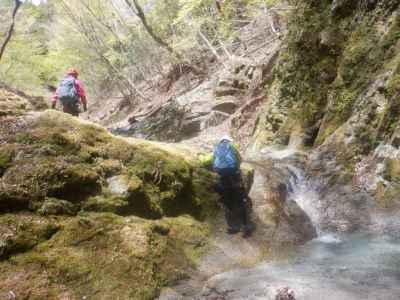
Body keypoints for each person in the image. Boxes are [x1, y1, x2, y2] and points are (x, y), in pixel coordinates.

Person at [211, 136, 253, 237]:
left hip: (222, 177)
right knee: (241, 199)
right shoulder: (232, 146)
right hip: (234, 176)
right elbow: (239, 159)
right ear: (228, 141)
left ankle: (233, 226)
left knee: (227, 200)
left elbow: (211, 161)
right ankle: (246, 225)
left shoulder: (217, 148)